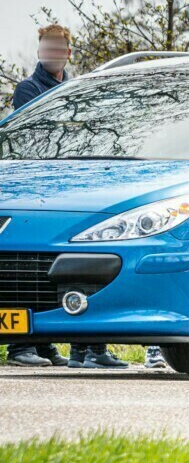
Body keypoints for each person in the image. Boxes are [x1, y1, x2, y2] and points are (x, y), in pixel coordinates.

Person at [4, 25, 128, 369]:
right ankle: (22, 345)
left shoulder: (74, 87)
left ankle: (75, 347)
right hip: (37, 182)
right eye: (46, 48)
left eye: (57, 48)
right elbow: (46, 130)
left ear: (67, 52)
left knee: (80, 259)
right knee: (30, 261)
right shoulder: (29, 89)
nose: (51, 53)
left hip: (75, 180)